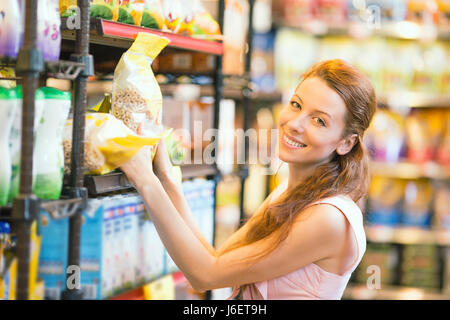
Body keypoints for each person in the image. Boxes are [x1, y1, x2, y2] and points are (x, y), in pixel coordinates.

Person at [120, 59, 377, 300]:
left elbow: (205, 275)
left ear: (346, 143)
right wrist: (167, 180)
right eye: (296, 105)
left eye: (319, 121)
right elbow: (216, 259)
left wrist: (145, 181)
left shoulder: (329, 218)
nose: (295, 123)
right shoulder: (289, 193)